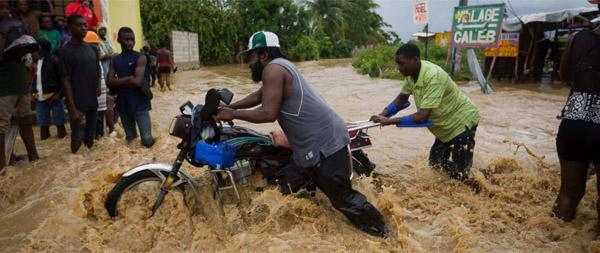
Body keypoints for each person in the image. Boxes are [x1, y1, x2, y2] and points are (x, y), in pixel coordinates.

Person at [214, 31, 388, 237]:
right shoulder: (280, 67)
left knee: (344, 199)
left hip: (323, 144)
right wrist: (230, 107)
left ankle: (385, 235)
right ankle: (305, 236)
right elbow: (260, 96)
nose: (248, 63)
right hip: (307, 147)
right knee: (293, 190)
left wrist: (232, 113)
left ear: (263, 55)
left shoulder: (273, 70)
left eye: (251, 57)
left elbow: (268, 112)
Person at [370, 43, 480, 181]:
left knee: (460, 175)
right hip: (444, 125)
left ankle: (484, 182)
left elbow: (422, 117)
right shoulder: (411, 76)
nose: (398, 68)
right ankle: (470, 172)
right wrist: (382, 115)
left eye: (401, 63)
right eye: (397, 64)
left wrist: (389, 121)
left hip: (462, 121)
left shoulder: (433, 76)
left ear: (415, 60)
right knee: (436, 163)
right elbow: (402, 97)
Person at [553, 4, 600, 237]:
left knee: (568, 196)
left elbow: (564, 76)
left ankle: (551, 238)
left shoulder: (576, 39)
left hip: (574, 122)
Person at [0, 1, 40, 168]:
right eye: (0, 8)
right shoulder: (5, 29)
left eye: (7, 7)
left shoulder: (14, 28)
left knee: (25, 120)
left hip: (20, 82)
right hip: (3, 86)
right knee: (2, 127)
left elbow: (25, 53)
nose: (5, 11)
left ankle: (35, 158)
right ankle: (2, 169)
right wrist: (2, 33)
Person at [60, 14, 100, 154]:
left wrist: (99, 86)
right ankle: (74, 163)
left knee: (91, 137)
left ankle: (87, 165)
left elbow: (98, 68)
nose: (83, 28)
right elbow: (66, 80)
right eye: (79, 25)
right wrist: (72, 109)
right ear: (70, 28)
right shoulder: (66, 51)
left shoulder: (92, 49)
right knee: (77, 137)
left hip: (92, 101)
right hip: (78, 102)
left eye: (85, 25)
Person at [106, 27, 154, 148]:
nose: (130, 43)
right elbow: (109, 82)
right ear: (119, 40)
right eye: (126, 40)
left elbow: (137, 82)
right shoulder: (115, 59)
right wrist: (129, 78)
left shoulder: (140, 57)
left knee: (147, 140)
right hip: (124, 104)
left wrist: (118, 81)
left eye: (132, 40)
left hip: (140, 104)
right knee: (131, 141)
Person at [31, 37, 66, 140]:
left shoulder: (54, 61)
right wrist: (31, 93)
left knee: (59, 122)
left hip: (54, 96)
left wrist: (60, 94)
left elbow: (64, 79)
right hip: (39, 97)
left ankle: (61, 139)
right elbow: (32, 79)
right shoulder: (34, 63)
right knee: (42, 123)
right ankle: (45, 140)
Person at [82, 31, 108, 139]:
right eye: (94, 44)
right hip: (91, 99)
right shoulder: (85, 60)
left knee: (99, 124)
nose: (97, 47)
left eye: (97, 44)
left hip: (101, 99)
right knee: (91, 124)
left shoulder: (97, 59)